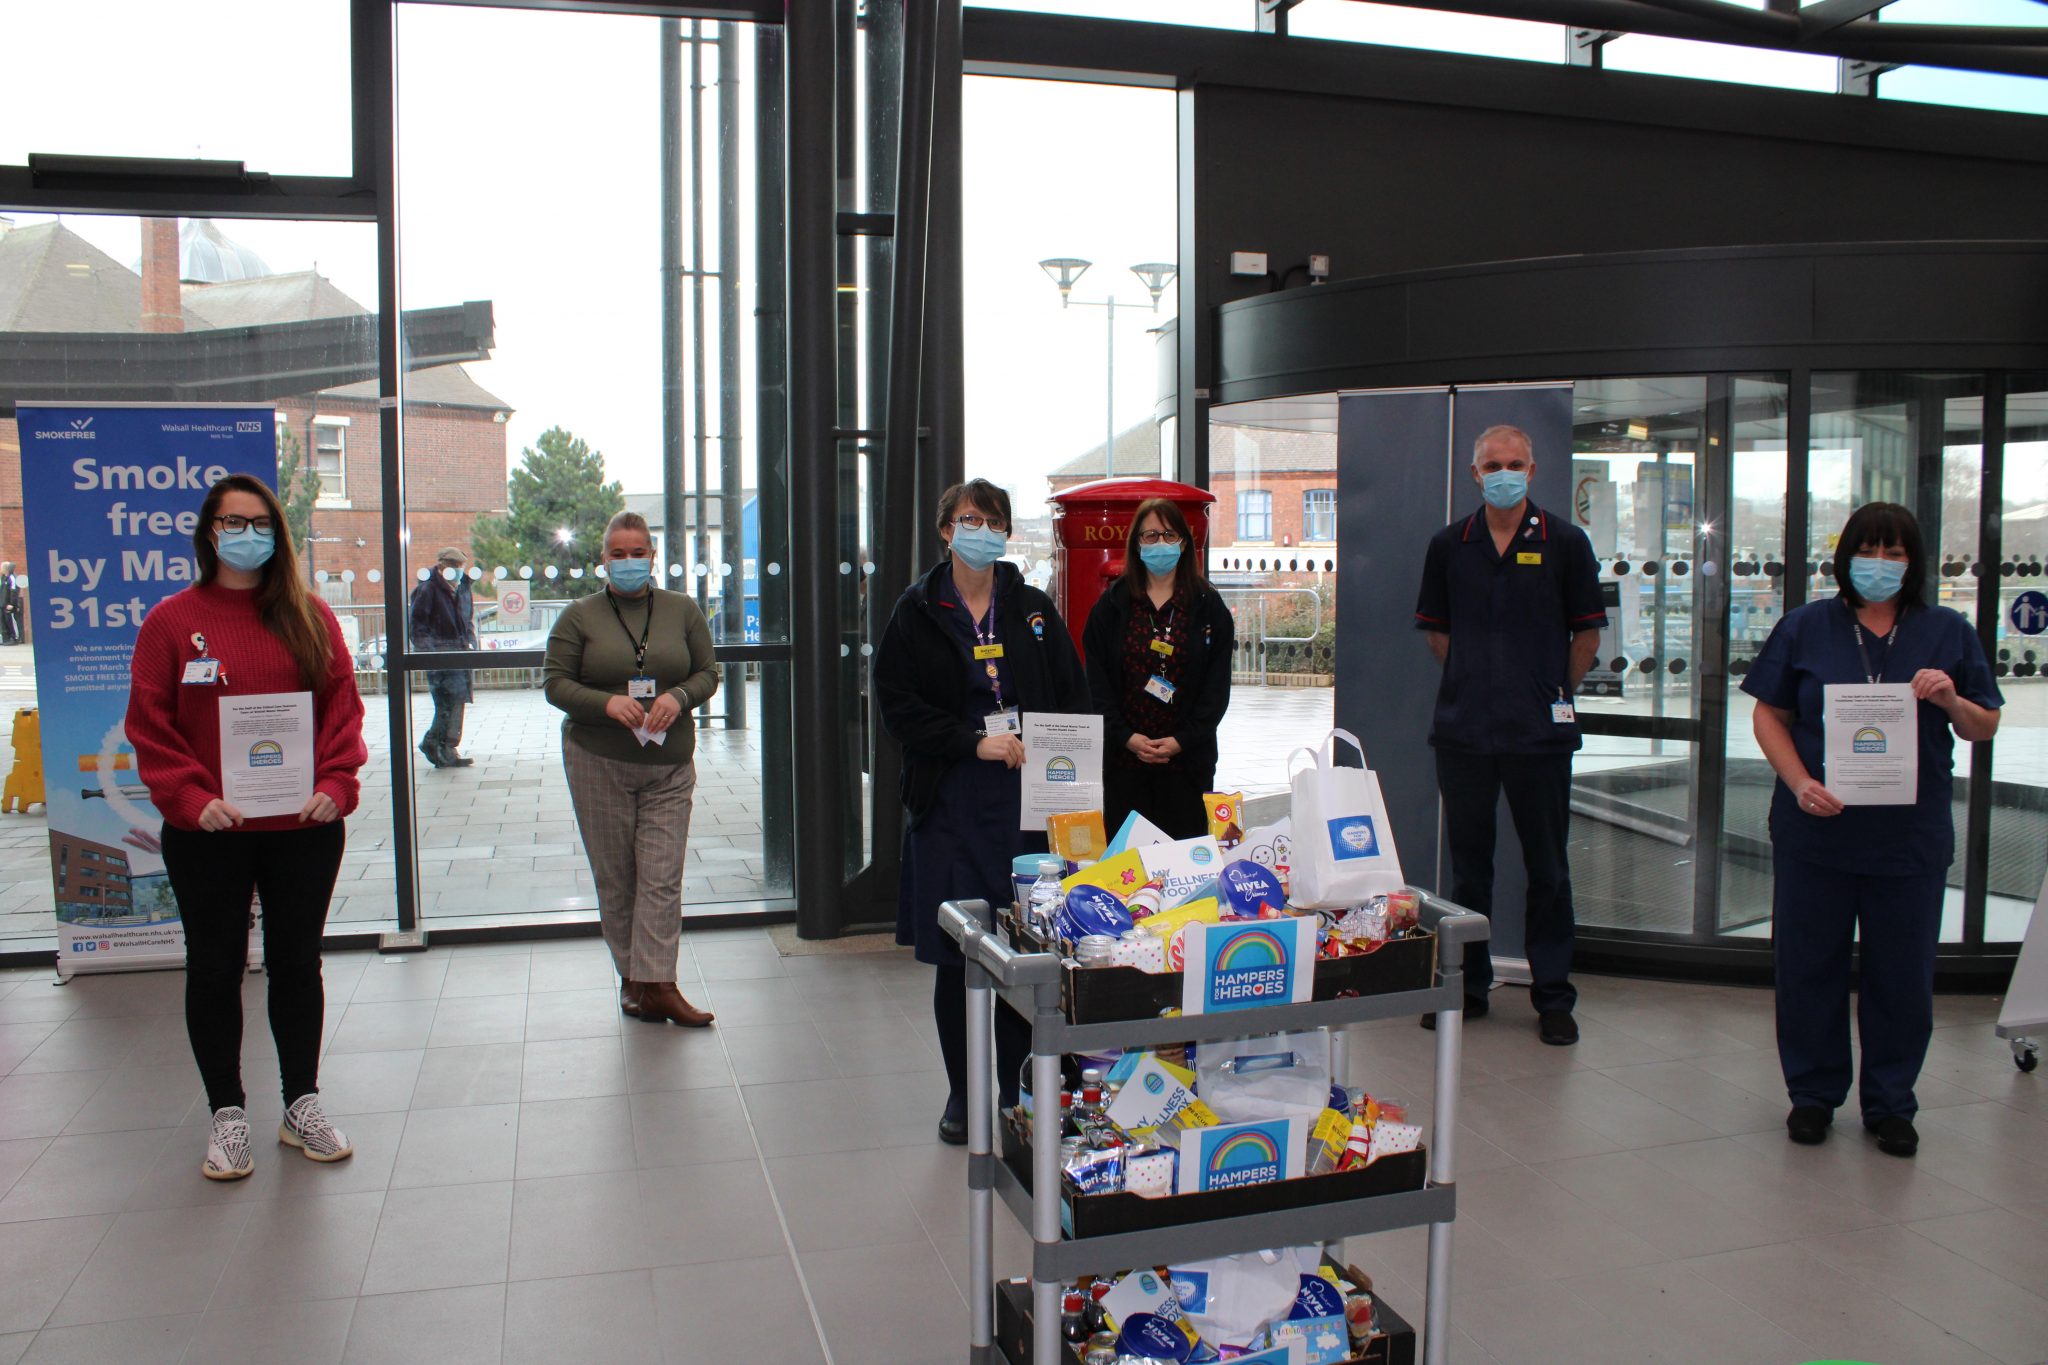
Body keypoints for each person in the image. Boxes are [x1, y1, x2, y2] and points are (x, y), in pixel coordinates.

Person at [125, 474, 368, 1181]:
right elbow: (151, 725)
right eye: (233, 522)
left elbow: (341, 712)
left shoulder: (309, 616)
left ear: (278, 532)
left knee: (297, 963)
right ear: (208, 532)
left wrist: (335, 782)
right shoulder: (170, 622)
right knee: (215, 965)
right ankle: (227, 1114)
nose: (247, 534)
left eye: (260, 522)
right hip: (208, 831)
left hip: (303, 825)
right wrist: (189, 795)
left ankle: (301, 1103)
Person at [1743, 503, 2000, 1157]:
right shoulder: (1806, 627)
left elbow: (1983, 725)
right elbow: (1770, 715)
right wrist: (1800, 781)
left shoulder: (1947, 630)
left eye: (1894, 553)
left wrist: (1948, 698)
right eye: (1868, 550)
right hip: (1817, 832)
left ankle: (1891, 1103)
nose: (1879, 564)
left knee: (1902, 975)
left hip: (1907, 838)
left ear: (1913, 561)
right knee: (1808, 965)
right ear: (1845, 556)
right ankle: (1812, 1094)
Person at [877, 478, 1089, 1144]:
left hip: (1027, 803)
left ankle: (1017, 1087)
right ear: (946, 529)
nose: (982, 530)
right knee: (958, 950)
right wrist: (973, 740)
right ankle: (963, 1093)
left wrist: (1074, 786)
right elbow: (900, 709)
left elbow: (1072, 696)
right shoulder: (917, 610)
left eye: (994, 520)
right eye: (969, 519)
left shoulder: (1029, 607)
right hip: (952, 797)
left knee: (1028, 948)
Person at [1414, 423, 1607, 1046]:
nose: (1503, 472)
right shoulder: (1450, 545)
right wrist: (1477, 681)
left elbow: (1587, 635)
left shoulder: (1566, 543)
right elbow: (1439, 633)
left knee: (1548, 869)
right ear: (1475, 474)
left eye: (1515, 463)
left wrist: (1548, 691)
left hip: (1539, 737)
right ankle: (1468, 989)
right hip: (1465, 734)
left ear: (1532, 469)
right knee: (1470, 873)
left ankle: (1553, 997)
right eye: (1492, 463)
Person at [543, 511, 718, 1027]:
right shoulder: (579, 616)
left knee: (662, 876)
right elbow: (555, 683)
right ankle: (634, 981)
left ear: (652, 556)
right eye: (617, 554)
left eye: (637, 552)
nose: (628, 562)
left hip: (668, 764)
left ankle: (659, 983)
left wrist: (680, 695)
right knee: (618, 878)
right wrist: (606, 704)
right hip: (599, 761)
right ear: (603, 560)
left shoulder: (682, 610)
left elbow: (708, 672)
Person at [1083, 497, 1235, 839]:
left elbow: (1216, 691)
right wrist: (1127, 738)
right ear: (1136, 543)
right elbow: (1096, 684)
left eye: (1169, 535)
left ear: (1184, 542)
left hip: (1187, 765)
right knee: (1126, 867)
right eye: (1150, 536)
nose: (1160, 544)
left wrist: (1182, 741)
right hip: (1123, 764)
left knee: (1187, 869)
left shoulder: (1209, 608)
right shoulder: (1112, 606)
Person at [409, 546, 477, 768]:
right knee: (446, 703)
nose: (457, 571)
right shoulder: (428, 590)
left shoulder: (463, 588)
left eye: (460, 566)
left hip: (459, 655)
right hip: (441, 656)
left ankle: (447, 749)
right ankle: (435, 744)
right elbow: (418, 627)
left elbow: (467, 620)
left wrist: (471, 643)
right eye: (453, 566)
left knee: (457, 701)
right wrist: (432, 654)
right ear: (441, 566)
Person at [0, 562, 22, 644]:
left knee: (10, 621)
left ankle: (14, 638)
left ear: (6, 568)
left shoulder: (12, 578)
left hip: (9, 604)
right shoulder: (3, 578)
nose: (0, 569)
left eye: (1, 567)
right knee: (3, 621)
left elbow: (14, 591)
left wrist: (12, 604)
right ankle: (6, 638)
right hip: (2, 604)